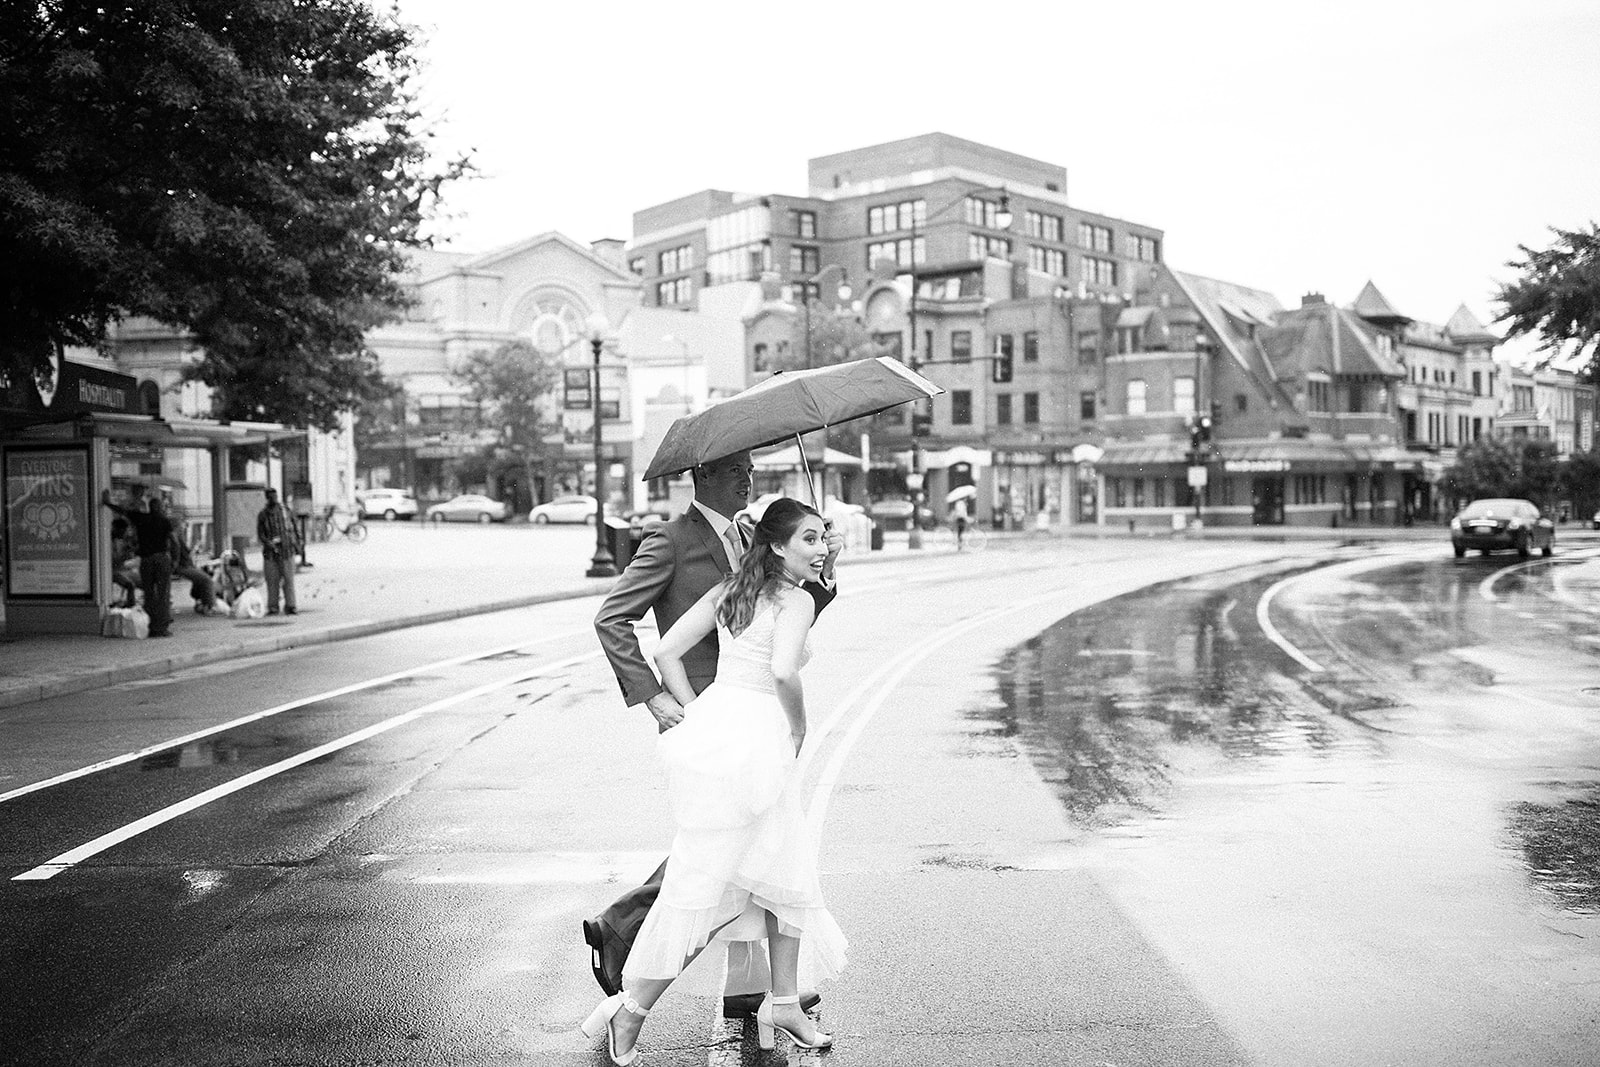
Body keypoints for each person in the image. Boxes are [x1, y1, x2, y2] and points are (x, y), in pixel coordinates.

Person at [582, 498, 846, 1064]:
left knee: (781, 870)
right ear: (777, 546)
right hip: (761, 736)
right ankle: (630, 1009)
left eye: (824, 537)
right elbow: (780, 670)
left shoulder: (733, 590)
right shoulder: (794, 599)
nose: (820, 548)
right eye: (809, 539)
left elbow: (666, 651)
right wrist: (799, 725)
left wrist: (696, 712)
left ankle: (782, 1001)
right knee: (708, 886)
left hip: (723, 723)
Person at [100, 490, 175, 637]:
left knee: (149, 593)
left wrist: (107, 502)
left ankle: (151, 625)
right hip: (161, 558)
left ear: (149, 507)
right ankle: (161, 628)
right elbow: (174, 541)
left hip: (146, 561)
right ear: (159, 508)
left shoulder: (141, 518)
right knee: (163, 594)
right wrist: (175, 560)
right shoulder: (165, 521)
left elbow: (123, 511)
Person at [256, 487, 300, 616]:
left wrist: (298, 544)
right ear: (267, 498)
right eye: (270, 497)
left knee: (289, 580)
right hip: (270, 553)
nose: (273, 499)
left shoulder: (286, 511)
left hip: (287, 551)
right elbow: (260, 534)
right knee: (272, 580)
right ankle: (273, 606)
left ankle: (291, 606)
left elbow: (295, 528)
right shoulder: (263, 514)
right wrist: (268, 542)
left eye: (275, 496)